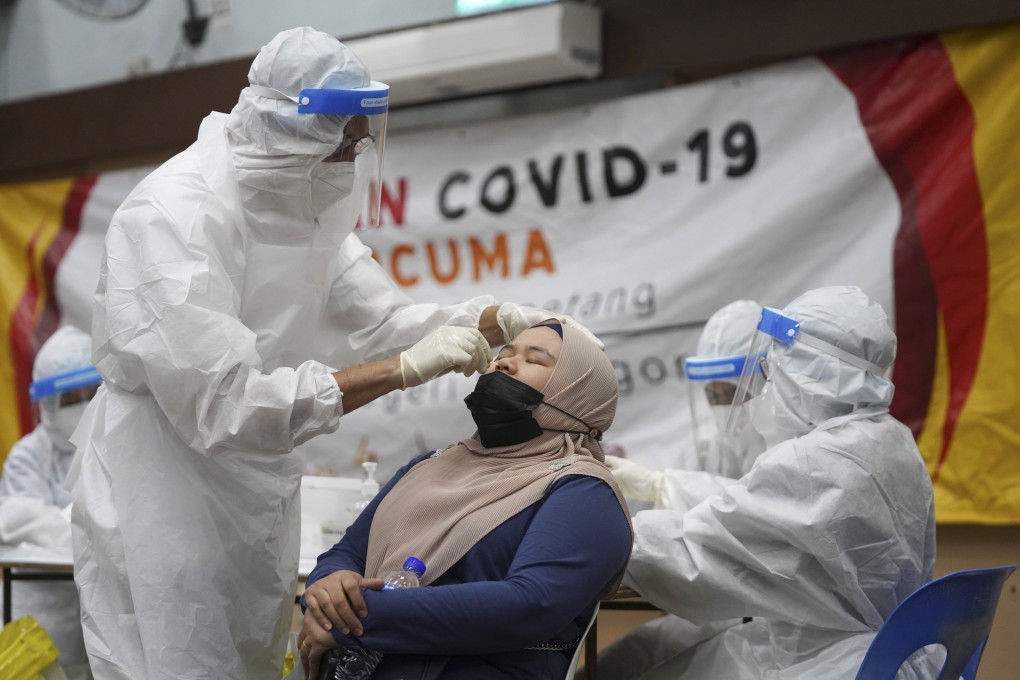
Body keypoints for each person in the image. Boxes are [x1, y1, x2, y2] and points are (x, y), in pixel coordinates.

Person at [65, 27, 594, 680]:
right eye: (345, 138)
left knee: (255, 660)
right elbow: (223, 406)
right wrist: (400, 371)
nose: (356, 152)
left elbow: (386, 322)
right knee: (174, 662)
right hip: (164, 487)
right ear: (292, 132)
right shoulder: (177, 217)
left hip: (255, 486)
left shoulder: (305, 198)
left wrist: (490, 320)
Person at [594, 286, 938, 679]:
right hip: (877, 651)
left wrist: (595, 534)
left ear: (806, 374)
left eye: (775, 369)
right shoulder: (889, 440)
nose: (768, 384)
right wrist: (657, 485)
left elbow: (702, 554)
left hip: (825, 662)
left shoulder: (813, 461)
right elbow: (752, 514)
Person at [298, 323, 633, 680]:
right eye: (503, 355)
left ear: (577, 393)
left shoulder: (583, 491)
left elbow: (528, 605)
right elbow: (347, 552)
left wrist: (352, 619)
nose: (503, 364)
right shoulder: (430, 464)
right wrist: (328, 587)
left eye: (534, 360)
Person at [0, 325, 100, 680]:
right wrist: (87, 523)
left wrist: (60, 523)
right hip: (42, 615)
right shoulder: (30, 455)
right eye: (70, 397)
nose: (83, 403)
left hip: (105, 618)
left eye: (91, 391)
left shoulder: (113, 448)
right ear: (48, 403)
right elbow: (14, 519)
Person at [604, 299, 764, 506]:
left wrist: (659, 486)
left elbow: (761, 510)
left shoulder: (800, 445)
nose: (725, 407)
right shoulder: (711, 446)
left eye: (734, 392)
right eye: (714, 397)